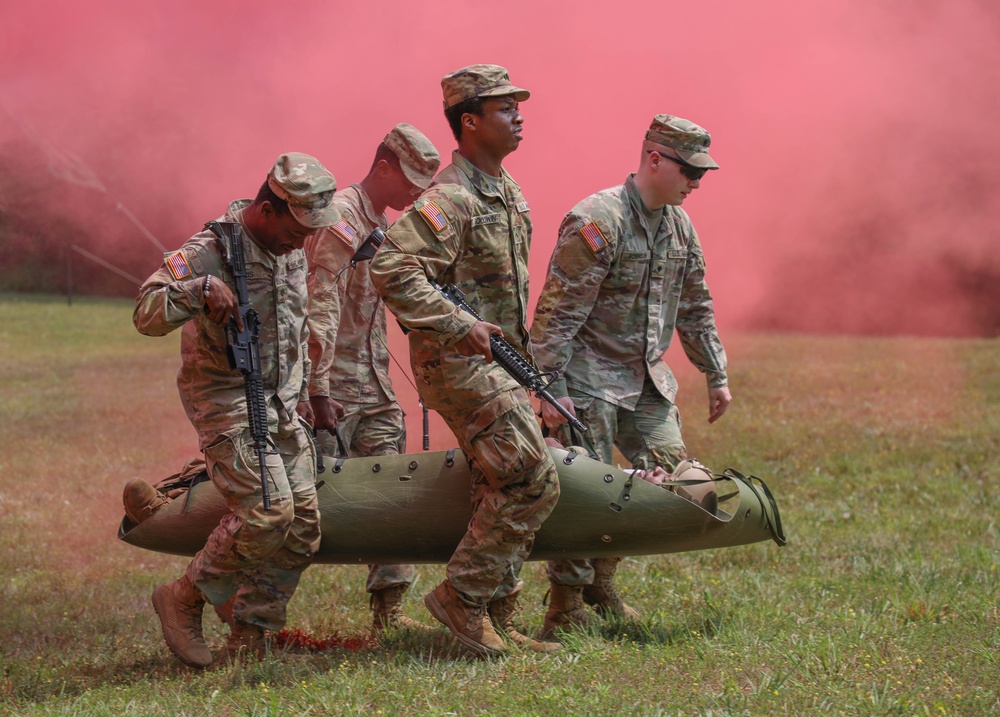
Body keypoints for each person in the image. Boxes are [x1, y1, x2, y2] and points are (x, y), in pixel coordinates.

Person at [369, 65, 561, 655]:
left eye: (518, 107)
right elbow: (391, 269)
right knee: (532, 478)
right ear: (470, 121)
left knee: (495, 482)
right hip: (457, 364)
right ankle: (460, 600)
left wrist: (534, 376)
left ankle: (498, 618)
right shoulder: (449, 198)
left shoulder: (506, 191)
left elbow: (509, 296)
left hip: (498, 364)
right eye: (505, 109)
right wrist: (459, 324)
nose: (519, 117)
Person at [132, 153, 341, 667]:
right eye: (297, 230)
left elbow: (295, 325)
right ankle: (182, 599)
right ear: (267, 210)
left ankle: (252, 632)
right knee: (269, 514)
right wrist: (197, 290)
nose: (303, 242)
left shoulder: (286, 244)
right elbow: (145, 312)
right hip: (226, 400)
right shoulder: (212, 249)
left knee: (304, 525)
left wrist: (305, 392)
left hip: (278, 404)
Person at [530, 115, 733, 637]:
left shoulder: (679, 226)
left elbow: (695, 304)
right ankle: (566, 606)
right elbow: (558, 313)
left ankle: (602, 581)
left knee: (673, 478)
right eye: (689, 170)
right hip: (586, 382)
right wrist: (547, 388)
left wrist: (715, 372)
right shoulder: (599, 220)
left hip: (646, 384)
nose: (696, 182)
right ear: (655, 159)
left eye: (702, 174)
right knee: (590, 495)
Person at [304, 123, 441, 633]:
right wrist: (316, 391)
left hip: (375, 387)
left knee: (392, 492)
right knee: (305, 502)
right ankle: (251, 610)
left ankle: (390, 609)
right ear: (383, 168)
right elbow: (320, 303)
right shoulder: (342, 216)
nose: (414, 195)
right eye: (409, 182)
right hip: (332, 390)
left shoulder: (382, 225)